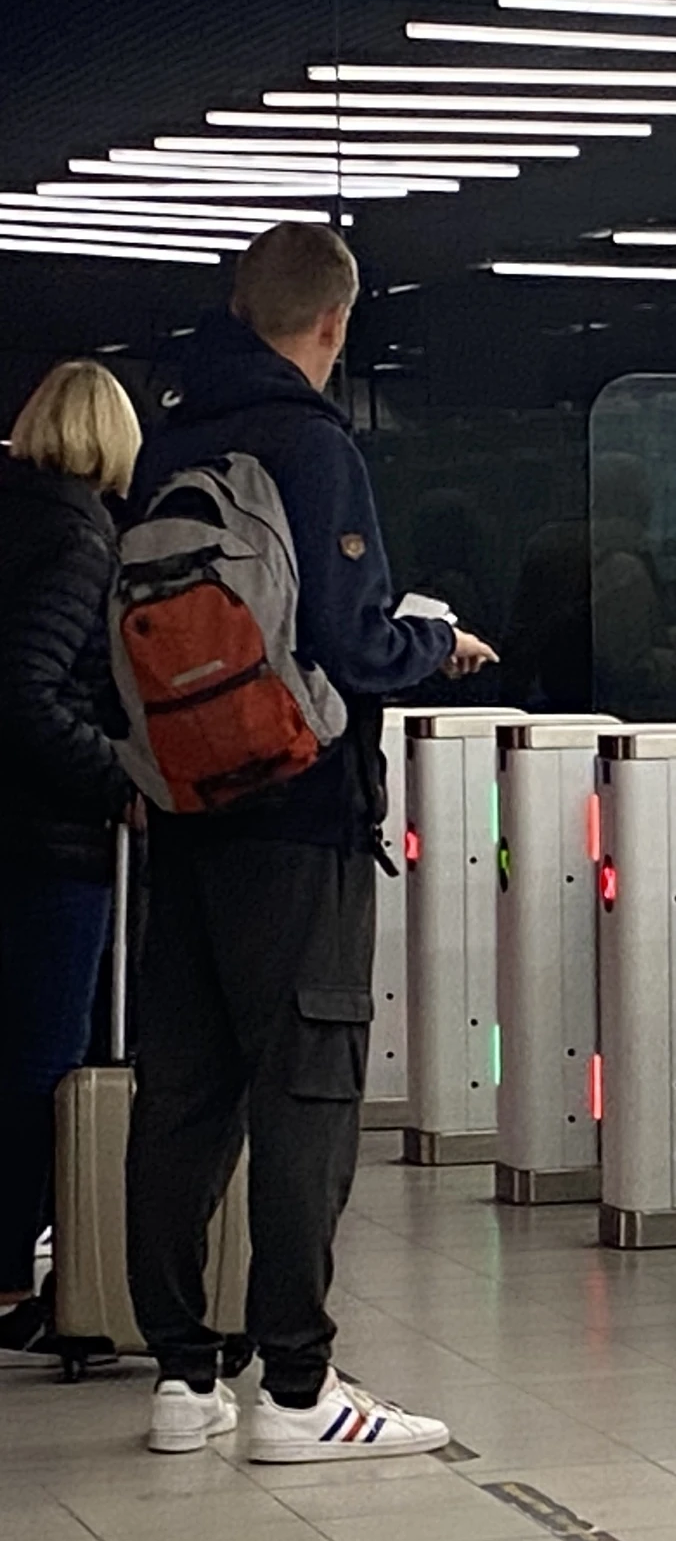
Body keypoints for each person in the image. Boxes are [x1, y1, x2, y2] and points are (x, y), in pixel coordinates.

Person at [128, 223, 497, 1460]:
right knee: (305, 1095)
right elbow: (349, 641)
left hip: (180, 816)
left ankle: (183, 1382)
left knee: (181, 1096)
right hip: (298, 817)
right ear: (334, 326)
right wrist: (434, 645)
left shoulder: (170, 439)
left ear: (241, 303)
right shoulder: (314, 447)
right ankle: (298, 1391)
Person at [0, 363, 143, 1354]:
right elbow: (30, 688)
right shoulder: (80, 534)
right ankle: (12, 1272)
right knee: (44, 1059)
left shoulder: (13, 518)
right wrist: (117, 778)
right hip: (49, 841)